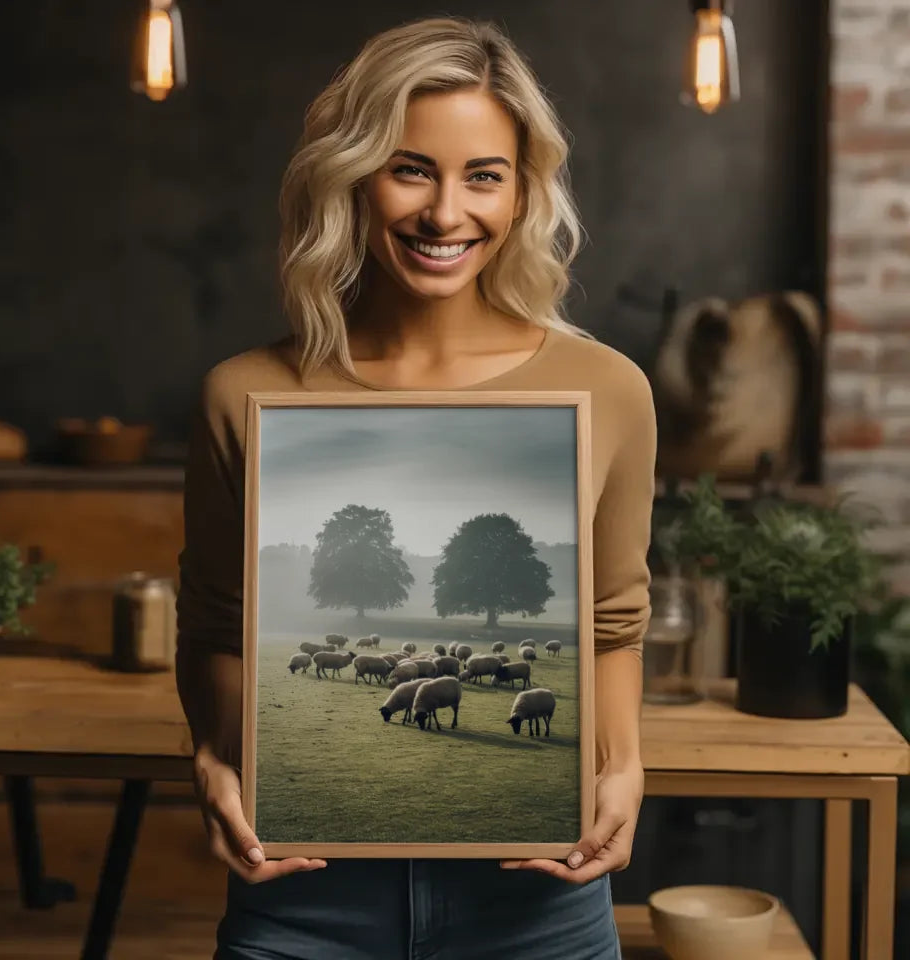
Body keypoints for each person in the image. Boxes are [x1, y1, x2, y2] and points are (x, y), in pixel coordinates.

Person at [175, 15, 655, 960]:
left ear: (522, 195)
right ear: (352, 178)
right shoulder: (245, 393)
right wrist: (210, 756)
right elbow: (216, 623)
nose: (446, 214)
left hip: (537, 907)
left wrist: (626, 766)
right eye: (410, 169)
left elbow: (611, 623)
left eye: (484, 175)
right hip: (302, 902)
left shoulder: (609, 389)